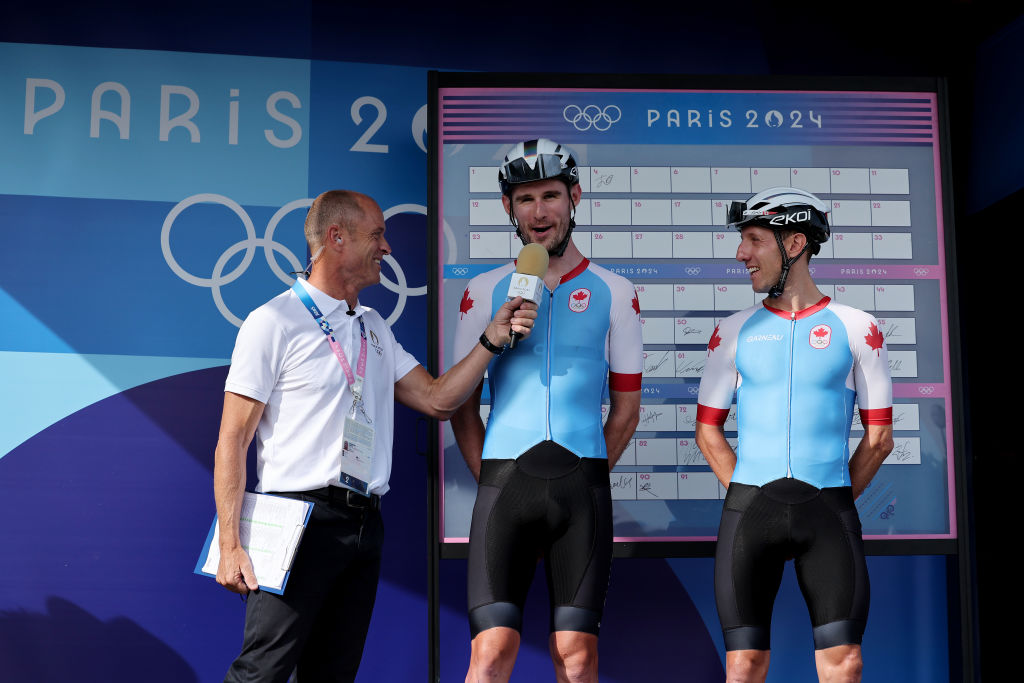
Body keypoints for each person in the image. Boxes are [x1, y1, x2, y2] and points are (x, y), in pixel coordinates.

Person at [213, 189, 536, 683]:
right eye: (378, 234)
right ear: (336, 237)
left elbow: (437, 399)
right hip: (297, 520)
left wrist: (492, 338)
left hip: (364, 525)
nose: (388, 248)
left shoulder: (374, 328)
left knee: (333, 675)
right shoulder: (273, 321)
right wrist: (231, 544)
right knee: (262, 673)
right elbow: (232, 439)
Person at [450, 139, 643, 683]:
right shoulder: (482, 290)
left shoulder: (616, 291)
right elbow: (461, 406)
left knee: (576, 659)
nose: (539, 212)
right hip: (504, 483)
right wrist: (492, 477)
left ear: (575, 196)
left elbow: (626, 411)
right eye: (525, 198)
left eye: (551, 196)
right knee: (489, 657)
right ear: (508, 208)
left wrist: (586, 479)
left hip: (581, 484)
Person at [695, 187, 894, 683]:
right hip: (751, 512)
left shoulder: (858, 327)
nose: (741, 254)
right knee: (743, 668)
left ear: (795, 243)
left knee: (844, 666)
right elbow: (707, 430)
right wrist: (748, 493)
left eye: (754, 240)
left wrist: (830, 496)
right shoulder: (732, 330)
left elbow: (879, 437)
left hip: (826, 512)